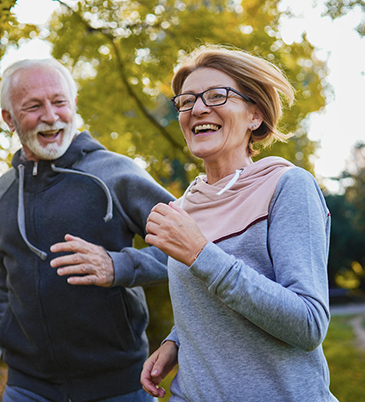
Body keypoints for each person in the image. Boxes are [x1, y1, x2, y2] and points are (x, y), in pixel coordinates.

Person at [0, 58, 174, 402]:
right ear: (8, 118)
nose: (50, 115)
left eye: (59, 102)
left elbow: (192, 248)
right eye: (33, 106)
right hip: (26, 388)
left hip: (119, 386)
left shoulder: (115, 174)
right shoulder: (1, 193)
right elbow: (0, 280)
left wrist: (118, 265)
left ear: (73, 105)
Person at [141, 45, 338, 401]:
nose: (198, 108)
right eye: (186, 101)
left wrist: (202, 254)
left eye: (217, 95)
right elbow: (212, 299)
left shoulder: (287, 186)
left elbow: (308, 324)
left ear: (255, 116)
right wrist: (177, 339)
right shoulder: (185, 206)